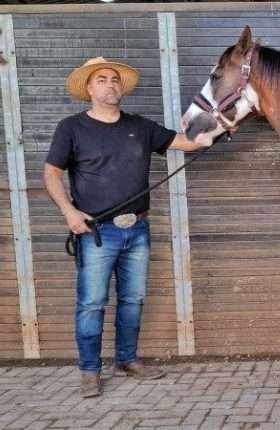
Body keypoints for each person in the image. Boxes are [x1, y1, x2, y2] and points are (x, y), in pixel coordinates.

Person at [43, 57, 210, 398]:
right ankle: (90, 371)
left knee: (133, 299)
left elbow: (188, 142)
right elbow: (51, 174)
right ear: (89, 88)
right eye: (102, 79)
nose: (111, 84)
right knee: (92, 303)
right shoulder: (71, 128)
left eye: (115, 79)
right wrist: (69, 212)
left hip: (137, 230)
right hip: (96, 234)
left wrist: (219, 127)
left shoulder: (140, 126)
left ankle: (127, 359)